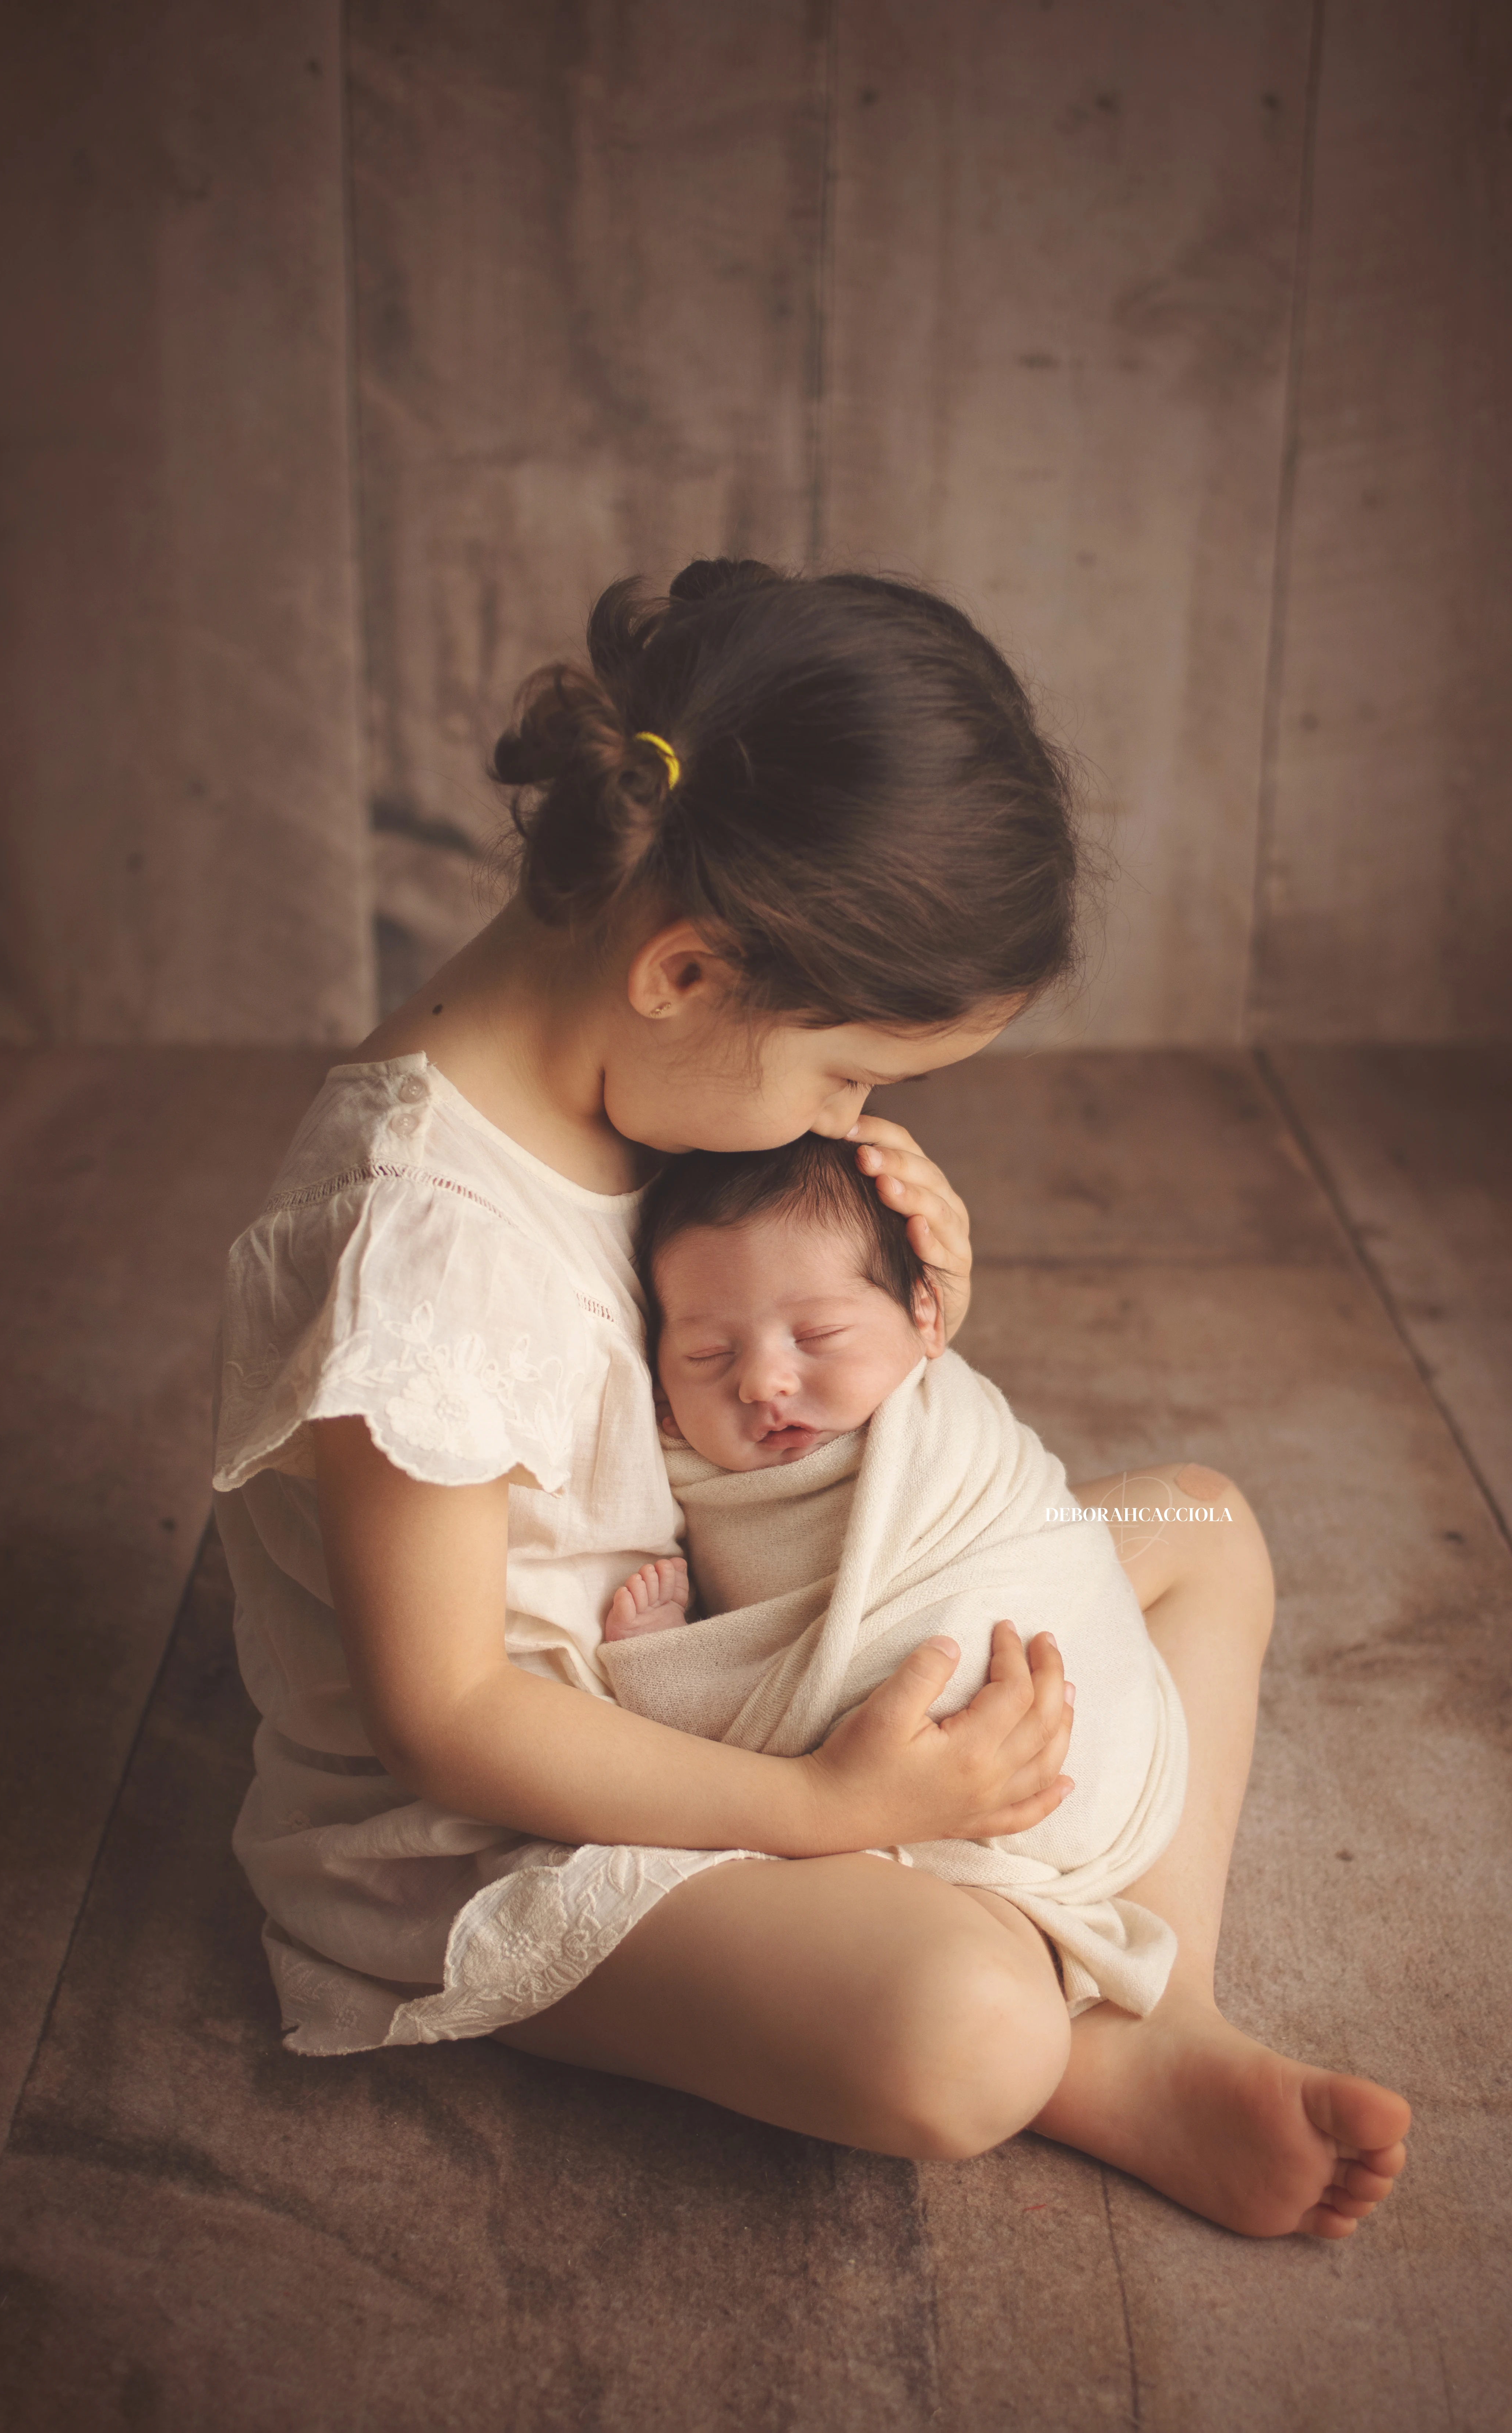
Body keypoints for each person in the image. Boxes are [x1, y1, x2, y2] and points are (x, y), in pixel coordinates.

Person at [213, 557, 1409, 2238]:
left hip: (730, 1625)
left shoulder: (623, 1064)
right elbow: (451, 1716)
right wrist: (822, 1815)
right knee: (961, 2024)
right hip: (516, 1823)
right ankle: (1075, 2042)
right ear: (687, 975)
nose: (843, 1116)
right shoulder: (417, 1255)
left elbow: (690, 1386)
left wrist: (895, 1316)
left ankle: (1167, 1998)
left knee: (1198, 1528)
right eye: (847, 1071)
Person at [600, 1132, 1190, 2024]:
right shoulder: (700, 1469)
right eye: (708, 1357)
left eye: (818, 1334)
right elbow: (775, 1669)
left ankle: (1180, 2006)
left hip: (1024, 1650)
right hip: (892, 1783)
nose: (764, 1379)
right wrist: (677, 1656)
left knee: (1201, 1511)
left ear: (926, 1317)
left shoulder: (940, 1420)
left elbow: (1023, 1530)